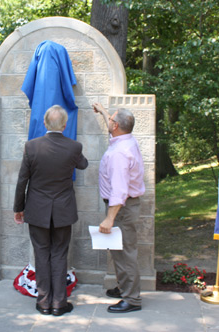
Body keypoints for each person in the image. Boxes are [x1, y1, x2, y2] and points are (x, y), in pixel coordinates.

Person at [13, 105, 88, 316]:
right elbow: (83, 165)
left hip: (37, 209)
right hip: (63, 210)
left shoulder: (32, 146)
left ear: (45, 124)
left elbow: (22, 181)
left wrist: (19, 208)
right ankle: (59, 304)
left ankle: (43, 302)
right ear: (65, 125)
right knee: (59, 254)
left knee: (41, 254)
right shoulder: (74, 147)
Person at [92, 102, 145, 313]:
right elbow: (113, 128)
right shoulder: (124, 140)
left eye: (112, 119)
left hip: (121, 208)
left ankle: (132, 299)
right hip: (123, 207)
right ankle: (125, 287)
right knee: (119, 252)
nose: (110, 121)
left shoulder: (119, 153)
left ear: (116, 126)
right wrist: (104, 112)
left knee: (124, 254)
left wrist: (110, 219)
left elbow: (119, 190)